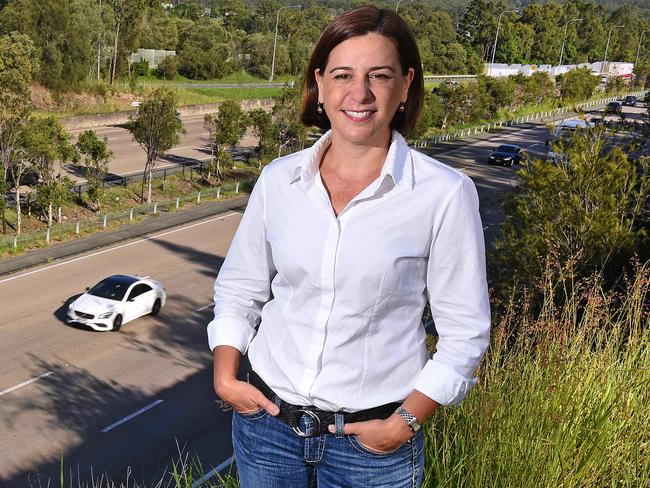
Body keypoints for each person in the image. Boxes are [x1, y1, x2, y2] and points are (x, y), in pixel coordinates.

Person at [207, 6, 490, 487]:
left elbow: (465, 334)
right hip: (267, 429)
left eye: (379, 75)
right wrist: (226, 377)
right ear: (320, 84)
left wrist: (405, 423)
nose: (359, 93)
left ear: (405, 85)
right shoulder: (279, 181)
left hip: (372, 446)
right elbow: (240, 288)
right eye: (343, 75)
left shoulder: (444, 193)